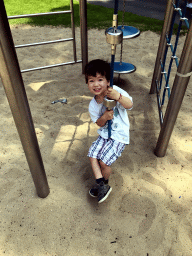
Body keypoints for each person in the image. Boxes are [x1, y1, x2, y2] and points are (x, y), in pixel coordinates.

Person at [85, 59, 133, 203]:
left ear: (107, 81)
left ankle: (104, 183)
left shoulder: (115, 91)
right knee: (93, 155)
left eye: (100, 79)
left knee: (104, 163)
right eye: (91, 80)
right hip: (105, 134)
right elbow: (99, 123)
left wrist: (117, 97)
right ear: (87, 83)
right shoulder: (93, 105)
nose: (96, 84)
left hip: (119, 136)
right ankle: (101, 184)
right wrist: (104, 117)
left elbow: (130, 104)